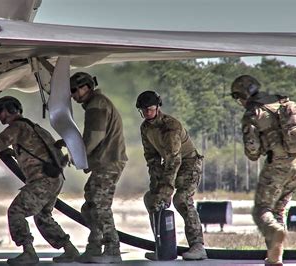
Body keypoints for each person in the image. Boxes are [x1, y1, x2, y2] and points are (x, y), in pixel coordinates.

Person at [0, 96, 79, 264]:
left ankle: (29, 252)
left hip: (42, 180)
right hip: (54, 178)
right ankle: (70, 249)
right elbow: (37, 151)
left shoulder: (17, 127)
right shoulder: (32, 127)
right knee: (42, 216)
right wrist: (14, 154)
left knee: (16, 211)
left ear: (11, 109)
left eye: (0, 111)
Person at [231, 75, 296, 264]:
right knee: (280, 208)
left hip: (278, 165)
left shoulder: (253, 113)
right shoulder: (281, 102)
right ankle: (275, 257)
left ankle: (275, 232)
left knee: (262, 210)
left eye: (236, 97)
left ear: (242, 95)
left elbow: (253, 151)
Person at [63, 72, 128, 263]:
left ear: (86, 87)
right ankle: (94, 247)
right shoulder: (96, 104)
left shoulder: (96, 105)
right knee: (90, 206)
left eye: (75, 90)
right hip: (104, 161)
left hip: (109, 161)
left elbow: (94, 137)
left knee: (99, 205)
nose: (73, 95)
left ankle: (112, 249)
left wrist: (75, 156)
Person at [135, 90, 207, 261]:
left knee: (181, 199)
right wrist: (156, 189)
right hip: (169, 164)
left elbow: (174, 160)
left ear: (158, 107)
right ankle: (163, 248)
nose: (147, 113)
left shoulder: (170, 126)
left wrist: (166, 191)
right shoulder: (145, 128)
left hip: (188, 164)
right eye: (143, 110)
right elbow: (152, 158)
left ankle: (198, 246)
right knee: (152, 199)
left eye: (150, 109)